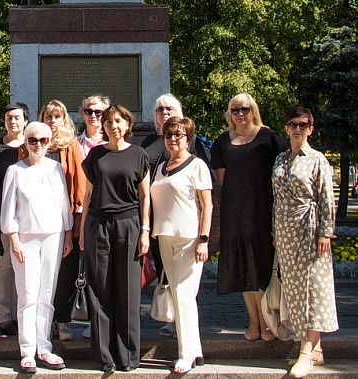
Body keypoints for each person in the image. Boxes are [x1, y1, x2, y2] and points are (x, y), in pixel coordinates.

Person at [209, 93, 286, 341]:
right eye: (235, 110)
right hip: (235, 212)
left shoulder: (269, 138)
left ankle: (267, 323)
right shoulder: (222, 141)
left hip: (262, 210)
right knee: (244, 270)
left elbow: (282, 173)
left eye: (244, 109)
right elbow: (223, 179)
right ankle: (254, 322)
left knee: (261, 267)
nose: (240, 114)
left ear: (253, 110)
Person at [80, 104, 150, 372]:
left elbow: (145, 197)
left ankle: (128, 356)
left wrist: (145, 231)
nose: (113, 126)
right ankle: (104, 356)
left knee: (128, 291)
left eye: (118, 122)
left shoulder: (139, 155)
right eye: (108, 122)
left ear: (127, 125)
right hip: (98, 225)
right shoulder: (96, 156)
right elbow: (87, 196)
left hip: (129, 224)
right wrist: (83, 232)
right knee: (99, 291)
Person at [1, 121, 73, 372]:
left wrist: (69, 234)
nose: (39, 145)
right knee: (28, 295)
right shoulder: (15, 171)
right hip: (26, 238)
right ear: (26, 143)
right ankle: (27, 349)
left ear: (49, 142)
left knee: (46, 295)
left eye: (43, 140)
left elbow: (64, 204)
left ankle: (44, 347)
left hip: (53, 236)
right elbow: (8, 209)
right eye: (33, 140)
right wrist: (14, 239)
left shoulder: (56, 169)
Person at [271, 106, 337, 379]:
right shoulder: (280, 159)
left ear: (311, 128)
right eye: (293, 124)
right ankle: (313, 345)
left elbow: (326, 199)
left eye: (303, 124)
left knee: (313, 289)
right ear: (286, 128)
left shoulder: (317, 159)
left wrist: (326, 232)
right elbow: (276, 198)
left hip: (310, 230)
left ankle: (306, 351)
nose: (298, 129)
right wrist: (275, 231)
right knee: (295, 290)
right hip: (285, 232)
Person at [149, 117, 213, 374]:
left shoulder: (197, 165)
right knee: (177, 293)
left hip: (189, 237)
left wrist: (203, 239)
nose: (173, 139)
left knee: (184, 294)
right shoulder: (161, 166)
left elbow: (207, 205)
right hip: (164, 235)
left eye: (179, 135)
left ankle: (185, 354)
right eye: (169, 135)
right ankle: (195, 349)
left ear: (188, 138)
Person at [39, 100, 87, 343]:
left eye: (57, 116)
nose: (52, 121)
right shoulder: (35, 144)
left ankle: (62, 319)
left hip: (64, 217)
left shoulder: (71, 146)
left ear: (64, 119)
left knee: (66, 272)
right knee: (44, 273)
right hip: (38, 219)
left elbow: (79, 182)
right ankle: (44, 322)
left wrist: (77, 216)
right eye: (48, 116)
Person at [0, 103, 30, 337]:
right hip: (1, 216)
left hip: (27, 218)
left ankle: (21, 315)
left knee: (23, 268)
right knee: (2, 269)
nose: (13, 122)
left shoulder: (33, 146)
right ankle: (3, 317)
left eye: (17, 117)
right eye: (9, 118)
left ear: (25, 121)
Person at [77, 94, 110, 159]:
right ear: (83, 115)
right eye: (89, 112)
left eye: (98, 112)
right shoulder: (75, 143)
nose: (93, 115)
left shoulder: (111, 142)